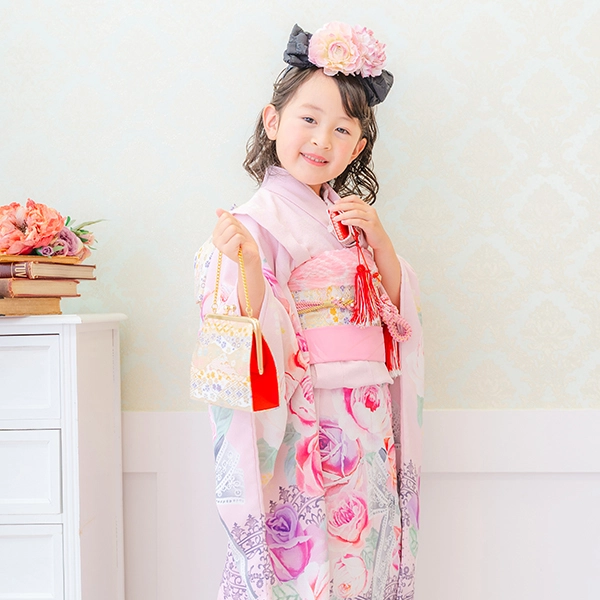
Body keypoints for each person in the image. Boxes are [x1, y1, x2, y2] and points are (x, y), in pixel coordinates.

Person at [192, 22, 424, 600]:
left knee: (363, 553)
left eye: (342, 129)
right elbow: (247, 334)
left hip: (367, 415)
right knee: (314, 562)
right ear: (272, 122)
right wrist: (248, 265)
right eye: (309, 119)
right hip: (308, 419)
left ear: (357, 148)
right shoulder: (256, 222)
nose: (322, 140)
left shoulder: (350, 219)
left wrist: (382, 244)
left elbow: (395, 314)